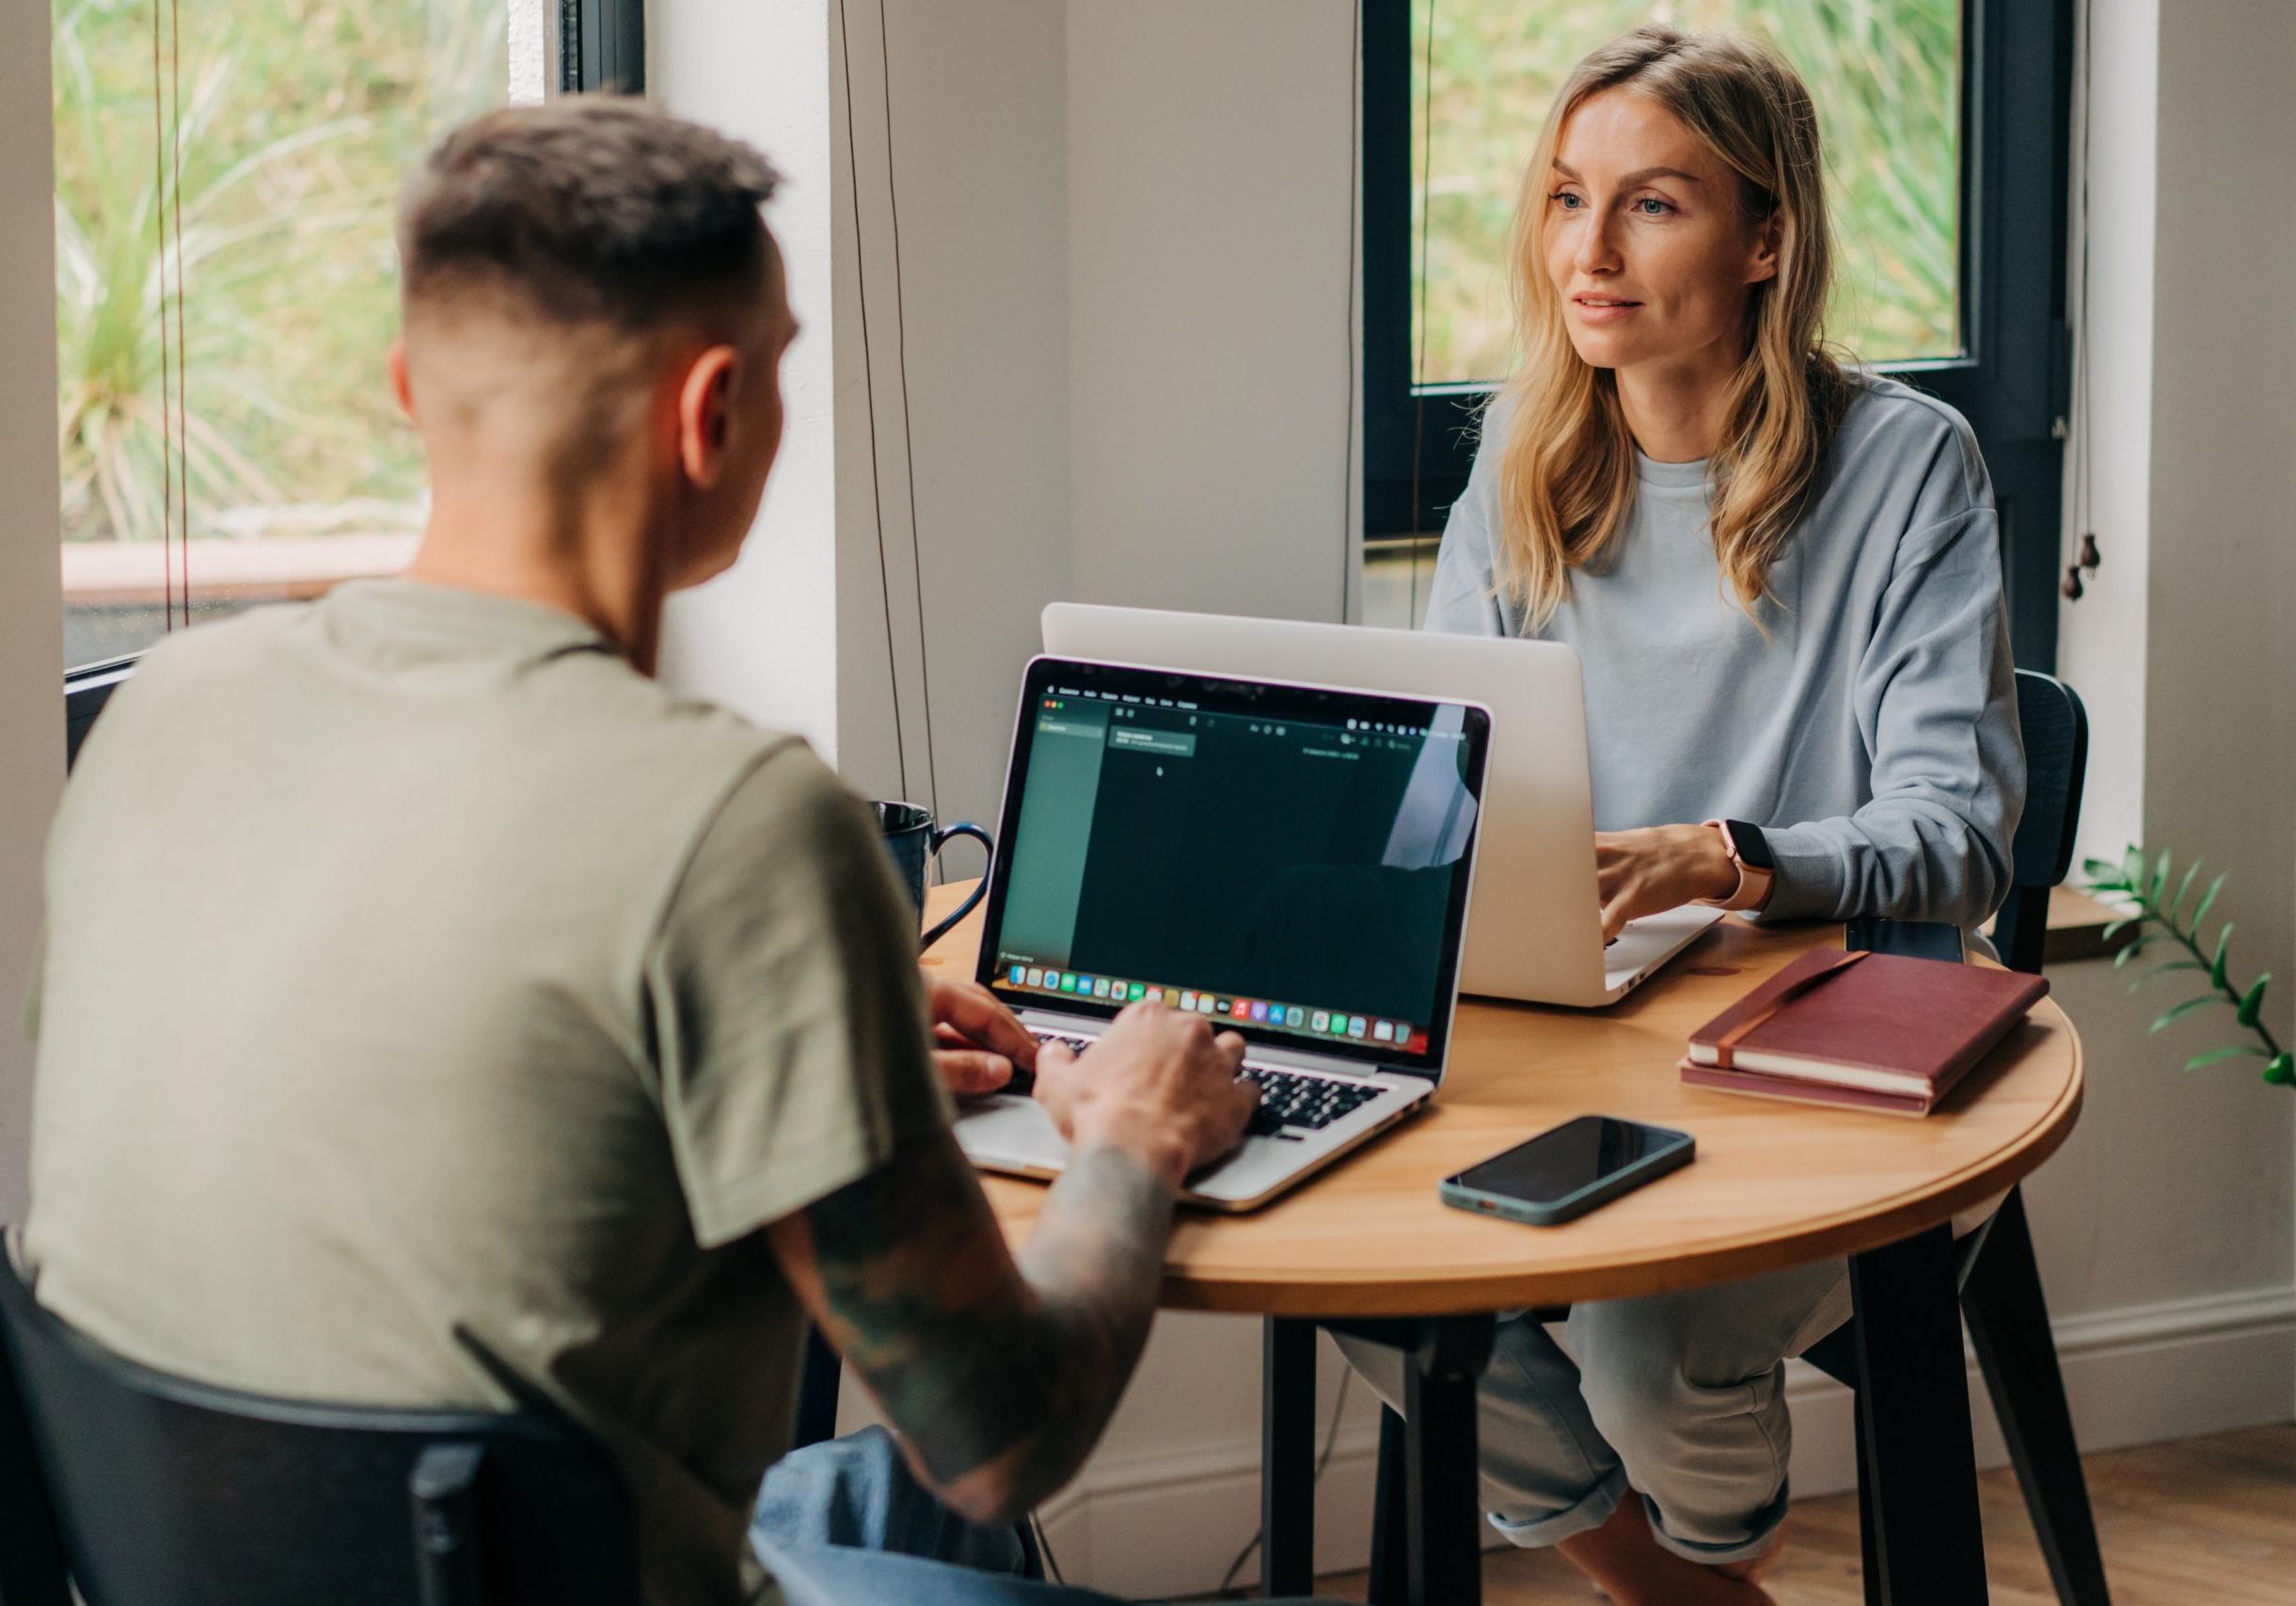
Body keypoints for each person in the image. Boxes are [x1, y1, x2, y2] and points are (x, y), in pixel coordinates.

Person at [19, 100, 1304, 1606]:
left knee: (879, 1506)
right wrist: (1131, 1142)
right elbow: (1004, 1436)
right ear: (712, 416)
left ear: (406, 393)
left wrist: (820, 1030)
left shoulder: (161, 709)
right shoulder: (744, 829)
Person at [1341, 25, 2024, 1606]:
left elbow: (1957, 833)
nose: (1586, 251)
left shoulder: (1904, 467)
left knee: (1649, 1351)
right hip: (1578, 1041)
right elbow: (1440, 799)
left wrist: (1721, 857)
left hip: (1833, 1052)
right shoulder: (1519, 460)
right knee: (1351, 1268)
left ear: (1764, 235)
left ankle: (1699, 1569)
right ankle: (1686, 1594)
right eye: (1567, 198)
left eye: (1651, 205)